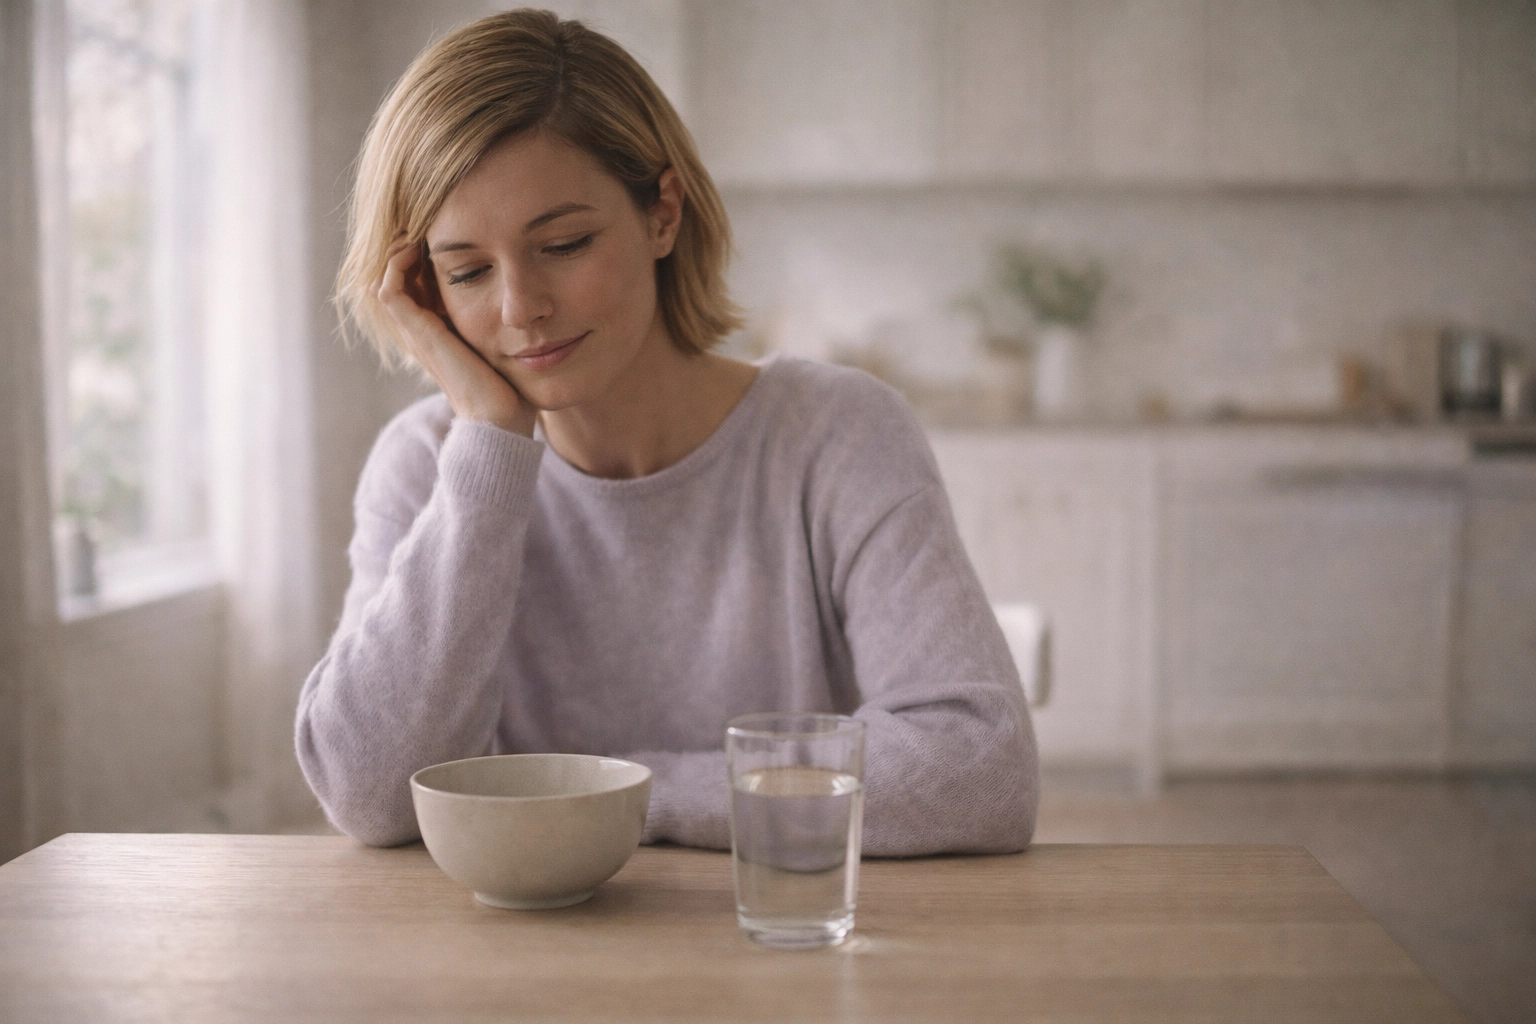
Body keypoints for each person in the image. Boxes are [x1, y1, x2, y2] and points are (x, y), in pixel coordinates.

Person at [295, 8, 1038, 855]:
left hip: (788, 954)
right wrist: (491, 449)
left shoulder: (837, 434)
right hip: (516, 973)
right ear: (424, 288)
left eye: (564, 244)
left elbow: (981, 773)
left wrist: (608, 797)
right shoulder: (428, 466)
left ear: (662, 214)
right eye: (466, 270)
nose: (518, 308)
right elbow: (370, 798)